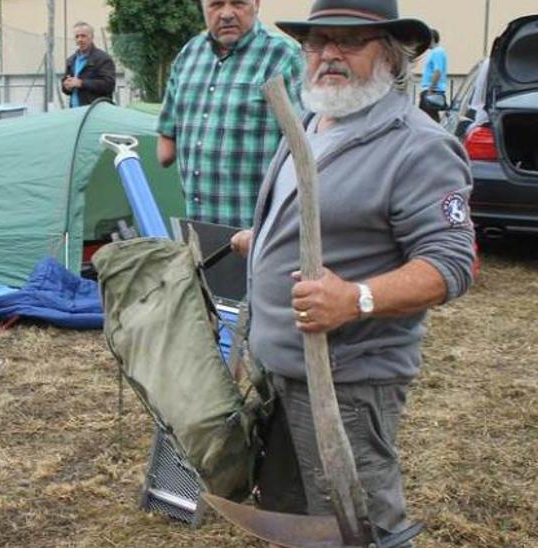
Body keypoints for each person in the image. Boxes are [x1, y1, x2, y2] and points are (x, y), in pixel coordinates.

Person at [229, 0, 476, 538]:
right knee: (293, 512)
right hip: (280, 370)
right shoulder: (314, 121)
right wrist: (266, 238)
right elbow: (327, 218)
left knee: (356, 520)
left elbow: (452, 264)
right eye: (317, 43)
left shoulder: (419, 147)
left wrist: (355, 299)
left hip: (346, 383)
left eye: (350, 42)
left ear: (390, 55)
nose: (329, 55)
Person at [157, 0, 305, 228]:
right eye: (216, 4)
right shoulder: (189, 55)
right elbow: (165, 148)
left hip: (259, 236)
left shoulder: (283, 56)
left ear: (256, 4)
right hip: (199, 231)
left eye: (238, 3)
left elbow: (308, 152)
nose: (226, 14)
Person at [62, 22, 117, 107]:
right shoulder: (71, 60)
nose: (80, 39)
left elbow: (109, 85)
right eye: (77, 36)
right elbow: (66, 89)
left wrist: (82, 83)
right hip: (75, 112)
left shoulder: (103, 58)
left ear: (91, 37)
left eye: (83, 36)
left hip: (96, 111)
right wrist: (66, 86)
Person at [419, 29, 448, 122]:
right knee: (430, 118)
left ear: (431, 38)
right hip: (431, 90)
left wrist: (430, 89)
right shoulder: (435, 52)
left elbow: (437, 71)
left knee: (428, 120)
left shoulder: (437, 52)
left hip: (433, 90)